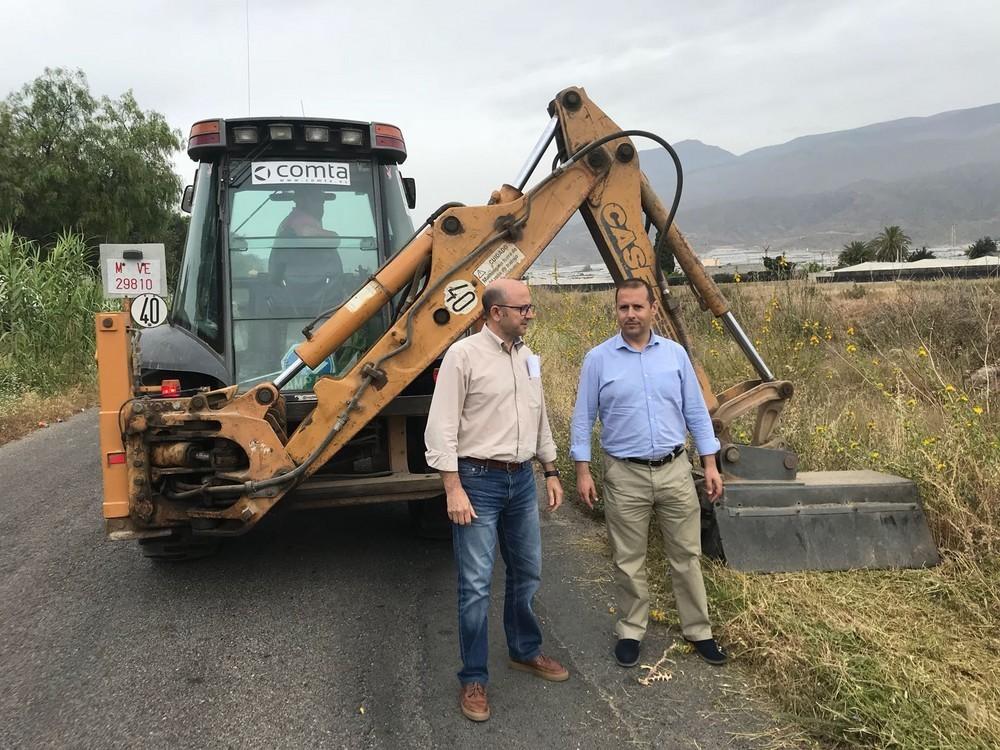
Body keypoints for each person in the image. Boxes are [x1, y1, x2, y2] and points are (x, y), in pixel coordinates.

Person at [425, 277, 569, 723]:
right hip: (478, 480)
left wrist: (550, 470)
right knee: (475, 585)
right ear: (495, 312)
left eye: (530, 307)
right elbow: (441, 426)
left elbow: (539, 418)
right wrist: (453, 488)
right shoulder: (463, 356)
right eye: (523, 308)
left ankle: (524, 650)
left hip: (521, 480)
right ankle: (473, 678)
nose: (530, 314)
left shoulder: (528, 358)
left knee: (527, 571)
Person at [569, 278, 728, 669]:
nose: (630, 315)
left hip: (675, 471)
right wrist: (582, 472)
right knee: (628, 559)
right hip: (625, 475)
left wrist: (710, 464)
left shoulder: (675, 355)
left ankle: (699, 631)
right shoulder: (598, 359)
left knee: (686, 555)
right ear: (616, 310)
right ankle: (631, 631)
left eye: (638, 307)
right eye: (623, 307)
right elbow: (582, 418)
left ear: (653, 309)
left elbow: (696, 412)